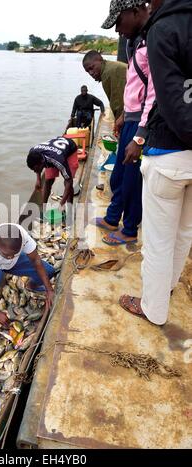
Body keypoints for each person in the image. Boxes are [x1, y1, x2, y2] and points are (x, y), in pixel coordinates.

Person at [119, 0, 192, 325]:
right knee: (184, 232)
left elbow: (165, 100)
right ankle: (169, 289)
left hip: (170, 156)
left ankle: (153, 308)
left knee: (159, 241)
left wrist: (140, 138)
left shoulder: (164, 30)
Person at [95, 0, 155, 246]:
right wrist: (121, 116)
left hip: (142, 122)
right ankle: (112, 218)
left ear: (135, 10)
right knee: (119, 176)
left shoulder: (152, 41)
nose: (117, 30)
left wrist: (140, 135)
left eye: (119, 21)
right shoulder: (135, 42)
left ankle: (129, 229)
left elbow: (153, 92)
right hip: (131, 118)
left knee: (132, 180)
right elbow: (135, 86)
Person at [0, 223, 55, 327]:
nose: (11, 257)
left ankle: (31, 285)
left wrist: (49, 290)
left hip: (8, 263)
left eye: (15, 253)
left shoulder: (20, 235)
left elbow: (36, 260)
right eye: (7, 255)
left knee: (49, 271)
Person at [27, 136, 78, 208]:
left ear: (42, 162)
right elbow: (36, 166)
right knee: (48, 181)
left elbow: (69, 181)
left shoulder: (58, 160)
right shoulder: (32, 152)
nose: (36, 171)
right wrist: (38, 179)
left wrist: (61, 203)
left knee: (67, 182)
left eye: (37, 169)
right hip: (52, 153)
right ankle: (43, 207)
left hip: (70, 150)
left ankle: (69, 209)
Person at [83, 50, 127, 122]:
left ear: (100, 60)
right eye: (88, 71)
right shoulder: (110, 66)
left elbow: (118, 104)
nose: (91, 73)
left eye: (92, 68)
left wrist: (119, 123)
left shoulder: (107, 74)